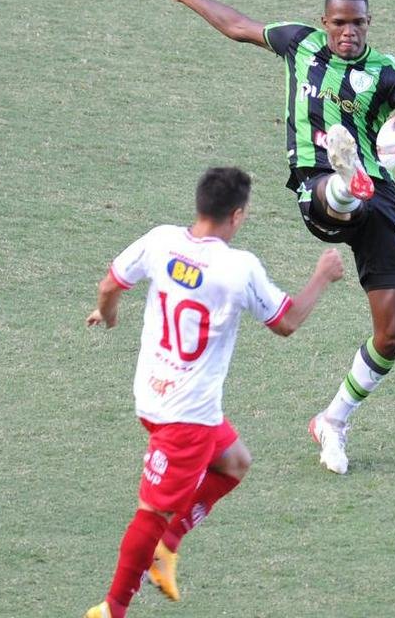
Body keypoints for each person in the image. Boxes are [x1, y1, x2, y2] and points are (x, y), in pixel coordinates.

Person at [155, 0, 395, 474]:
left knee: (394, 333)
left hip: (380, 197)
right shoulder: (300, 43)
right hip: (316, 183)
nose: (348, 31)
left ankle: (333, 420)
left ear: (369, 23)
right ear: (325, 22)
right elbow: (238, 25)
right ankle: (344, 179)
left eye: (357, 23)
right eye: (339, 23)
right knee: (336, 194)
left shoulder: (386, 71)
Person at [82, 167, 344, 618]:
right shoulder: (237, 268)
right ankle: (112, 608)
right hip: (186, 416)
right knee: (151, 512)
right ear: (236, 215)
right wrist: (322, 275)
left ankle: (166, 550)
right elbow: (286, 322)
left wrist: (107, 314)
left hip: (152, 393)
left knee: (235, 462)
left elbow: (110, 285)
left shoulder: (161, 240)